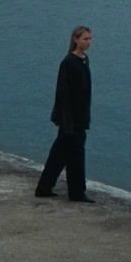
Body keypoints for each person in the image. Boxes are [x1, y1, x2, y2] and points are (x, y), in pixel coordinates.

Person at [35, 26, 95, 202]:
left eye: (90, 39)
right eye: (85, 39)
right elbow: (63, 94)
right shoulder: (69, 62)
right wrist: (67, 122)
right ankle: (76, 192)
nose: (89, 42)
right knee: (75, 155)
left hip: (79, 118)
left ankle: (44, 187)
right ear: (76, 40)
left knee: (60, 154)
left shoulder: (84, 60)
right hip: (71, 120)